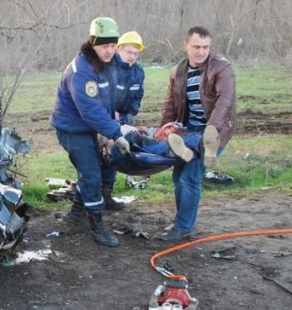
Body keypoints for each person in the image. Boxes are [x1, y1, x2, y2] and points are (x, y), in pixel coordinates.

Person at [50, 17, 130, 247]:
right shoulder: (81, 71)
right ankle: (97, 225)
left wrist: (109, 128)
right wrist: (115, 133)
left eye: (113, 45)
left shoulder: (109, 63)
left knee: (98, 168)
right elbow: (90, 111)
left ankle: (75, 216)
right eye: (104, 46)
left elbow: (108, 97)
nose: (109, 50)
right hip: (72, 129)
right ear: (92, 43)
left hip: (90, 127)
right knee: (92, 174)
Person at [158, 26, 236, 242]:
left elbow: (225, 100)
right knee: (177, 179)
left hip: (213, 132)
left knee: (188, 179)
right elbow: (170, 105)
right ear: (186, 45)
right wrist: (165, 128)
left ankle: (183, 228)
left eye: (206, 47)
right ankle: (181, 222)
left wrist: (210, 130)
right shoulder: (178, 72)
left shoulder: (221, 67)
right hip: (187, 130)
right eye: (196, 47)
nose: (201, 52)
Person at [100, 31, 146, 210]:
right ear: (119, 50)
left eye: (135, 53)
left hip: (125, 118)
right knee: (102, 154)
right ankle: (94, 196)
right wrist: (112, 114)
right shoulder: (110, 68)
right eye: (128, 52)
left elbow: (138, 94)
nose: (132, 57)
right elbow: (103, 94)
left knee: (116, 155)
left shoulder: (138, 71)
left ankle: (107, 195)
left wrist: (130, 113)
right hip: (107, 118)